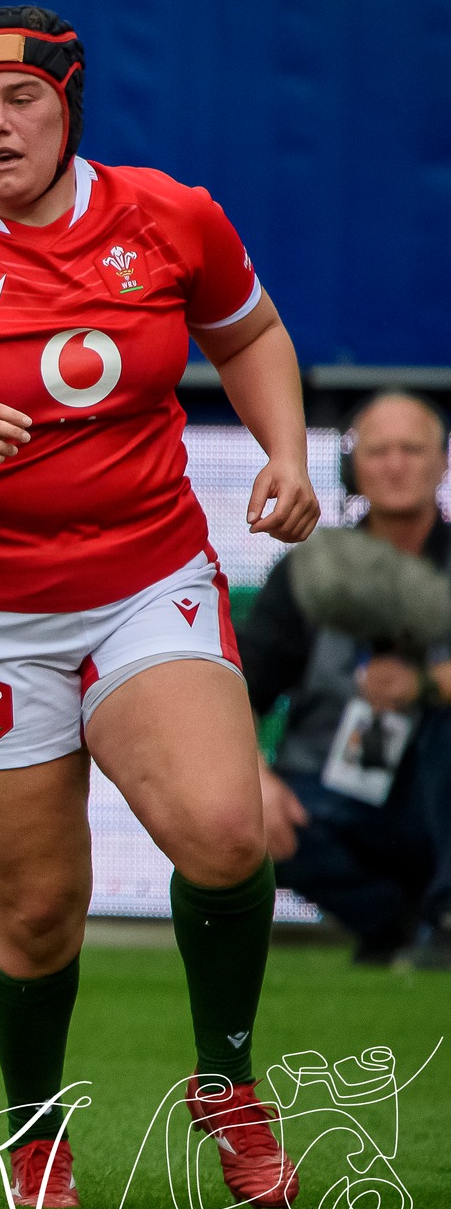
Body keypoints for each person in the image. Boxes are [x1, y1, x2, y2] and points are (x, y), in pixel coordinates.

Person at [0, 5, 319, 1209]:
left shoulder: (168, 215)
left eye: (21, 104)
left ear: (67, 107)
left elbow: (247, 332)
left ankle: (227, 1084)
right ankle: (34, 1121)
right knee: (38, 910)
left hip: (146, 575)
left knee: (225, 829)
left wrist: (287, 453)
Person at [243, 391, 451, 966]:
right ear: (352, 467)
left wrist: (426, 688)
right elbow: (240, 686)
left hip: (435, 788)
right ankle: (397, 927)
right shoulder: (314, 569)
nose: (395, 464)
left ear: (443, 462)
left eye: (412, 449)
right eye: (379, 450)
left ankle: (446, 916)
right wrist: (254, 779)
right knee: (243, 816)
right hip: (333, 789)